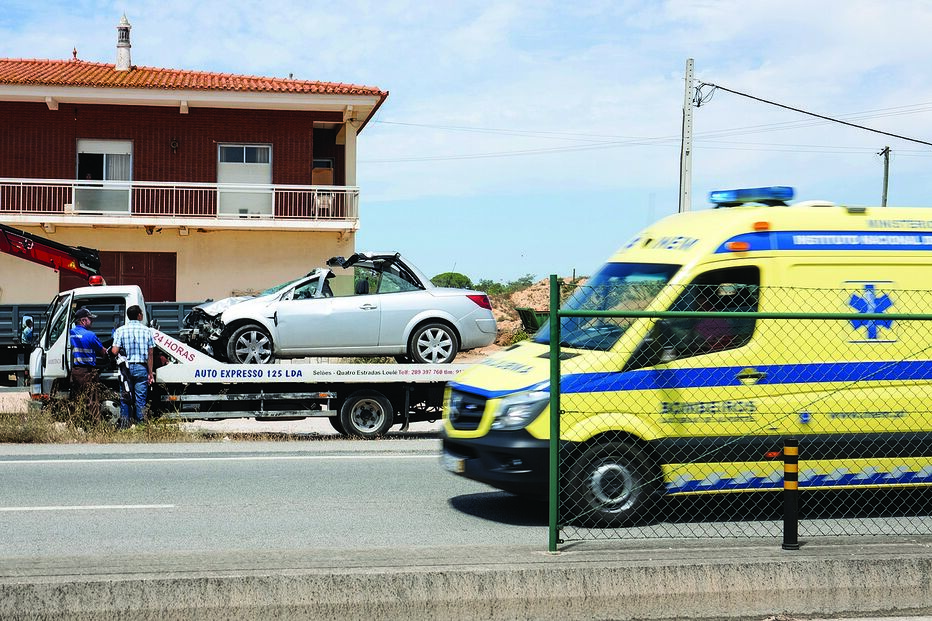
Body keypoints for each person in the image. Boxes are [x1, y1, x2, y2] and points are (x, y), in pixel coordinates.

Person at [110, 305, 155, 428]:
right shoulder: (147, 331)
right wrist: (150, 373)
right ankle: (141, 427)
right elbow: (151, 354)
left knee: (125, 397)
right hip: (141, 368)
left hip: (126, 369)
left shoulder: (120, 330)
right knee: (140, 400)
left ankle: (125, 426)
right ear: (139, 315)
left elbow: (114, 351)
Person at [69, 307, 107, 415]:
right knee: (92, 400)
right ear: (83, 321)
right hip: (88, 372)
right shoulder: (90, 335)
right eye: (90, 319)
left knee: (76, 399)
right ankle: (92, 422)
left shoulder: (69, 334)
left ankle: (76, 420)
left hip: (75, 372)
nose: (92, 321)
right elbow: (103, 351)